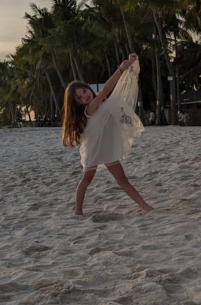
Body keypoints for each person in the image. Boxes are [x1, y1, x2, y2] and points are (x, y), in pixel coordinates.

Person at [62, 53, 153, 215]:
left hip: (107, 147)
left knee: (123, 180)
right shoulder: (89, 108)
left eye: (84, 91)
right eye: (80, 97)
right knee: (86, 180)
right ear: (78, 103)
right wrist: (120, 69)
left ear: (88, 87)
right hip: (94, 150)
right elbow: (106, 90)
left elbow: (112, 103)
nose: (85, 96)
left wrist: (128, 67)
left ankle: (144, 205)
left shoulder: (100, 104)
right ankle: (78, 211)